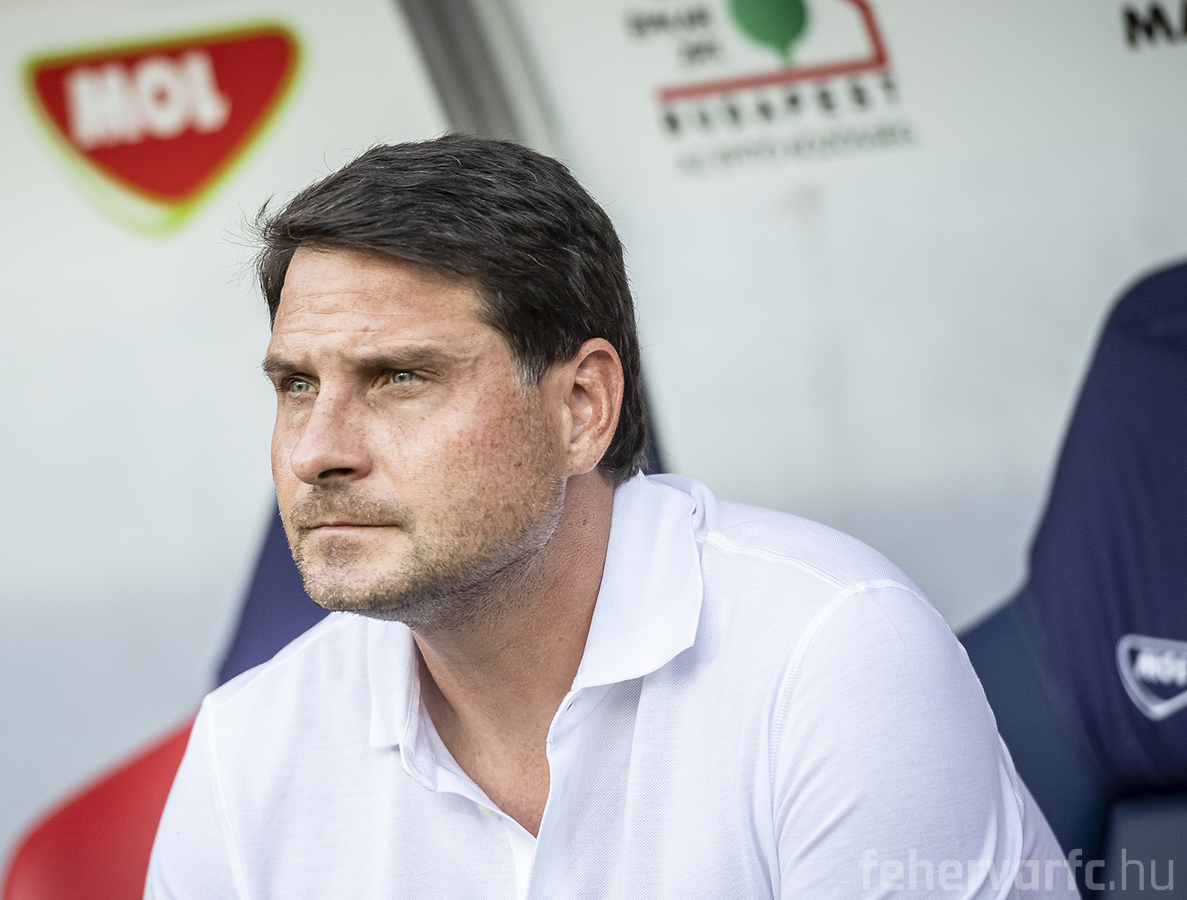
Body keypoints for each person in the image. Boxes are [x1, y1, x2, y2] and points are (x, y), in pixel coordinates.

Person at [144, 134, 1075, 899]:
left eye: (400, 377)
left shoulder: (830, 653)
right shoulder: (247, 747)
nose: (316, 450)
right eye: (296, 385)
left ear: (582, 407)